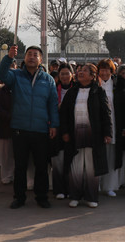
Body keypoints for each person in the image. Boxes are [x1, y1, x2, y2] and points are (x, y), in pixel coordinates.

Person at [0, 45, 59, 209]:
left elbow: (53, 104)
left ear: (40, 59)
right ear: (24, 58)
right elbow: (1, 74)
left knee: (41, 166)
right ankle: (19, 196)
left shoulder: (48, 80)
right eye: (29, 54)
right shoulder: (16, 76)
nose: (32, 57)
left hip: (40, 129)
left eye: (35, 55)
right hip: (20, 128)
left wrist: (54, 125)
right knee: (20, 166)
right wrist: (8, 57)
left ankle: (42, 196)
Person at [60, 64, 112, 208]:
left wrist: (108, 133)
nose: (80, 73)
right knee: (75, 167)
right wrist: (64, 132)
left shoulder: (98, 91)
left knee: (91, 167)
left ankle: (91, 197)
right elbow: (63, 114)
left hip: (93, 136)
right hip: (74, 135)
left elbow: (106, 114)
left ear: (92, 75)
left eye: (84, 71)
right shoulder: (72, 92)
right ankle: (75, 195)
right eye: (80, 70)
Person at [96, 59, 125, 198]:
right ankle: (96, 185)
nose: (104, 72)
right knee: (98, 156)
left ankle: (110, 186)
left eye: (107, 69)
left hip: (114, 123)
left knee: (112, 157)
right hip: (98, 126)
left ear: (111, 70)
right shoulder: (94, 85)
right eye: (101, 69)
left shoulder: (117, 85)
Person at [51, 63, 75, 198]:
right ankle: (59, 189)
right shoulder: (53, 89)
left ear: (72, 75)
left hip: (72, 129)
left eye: (67, 73)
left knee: (71, 160)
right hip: (57, 128)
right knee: (58, 160)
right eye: (62, 74)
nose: (65, 76)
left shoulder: (77, 89)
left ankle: (71, 188)